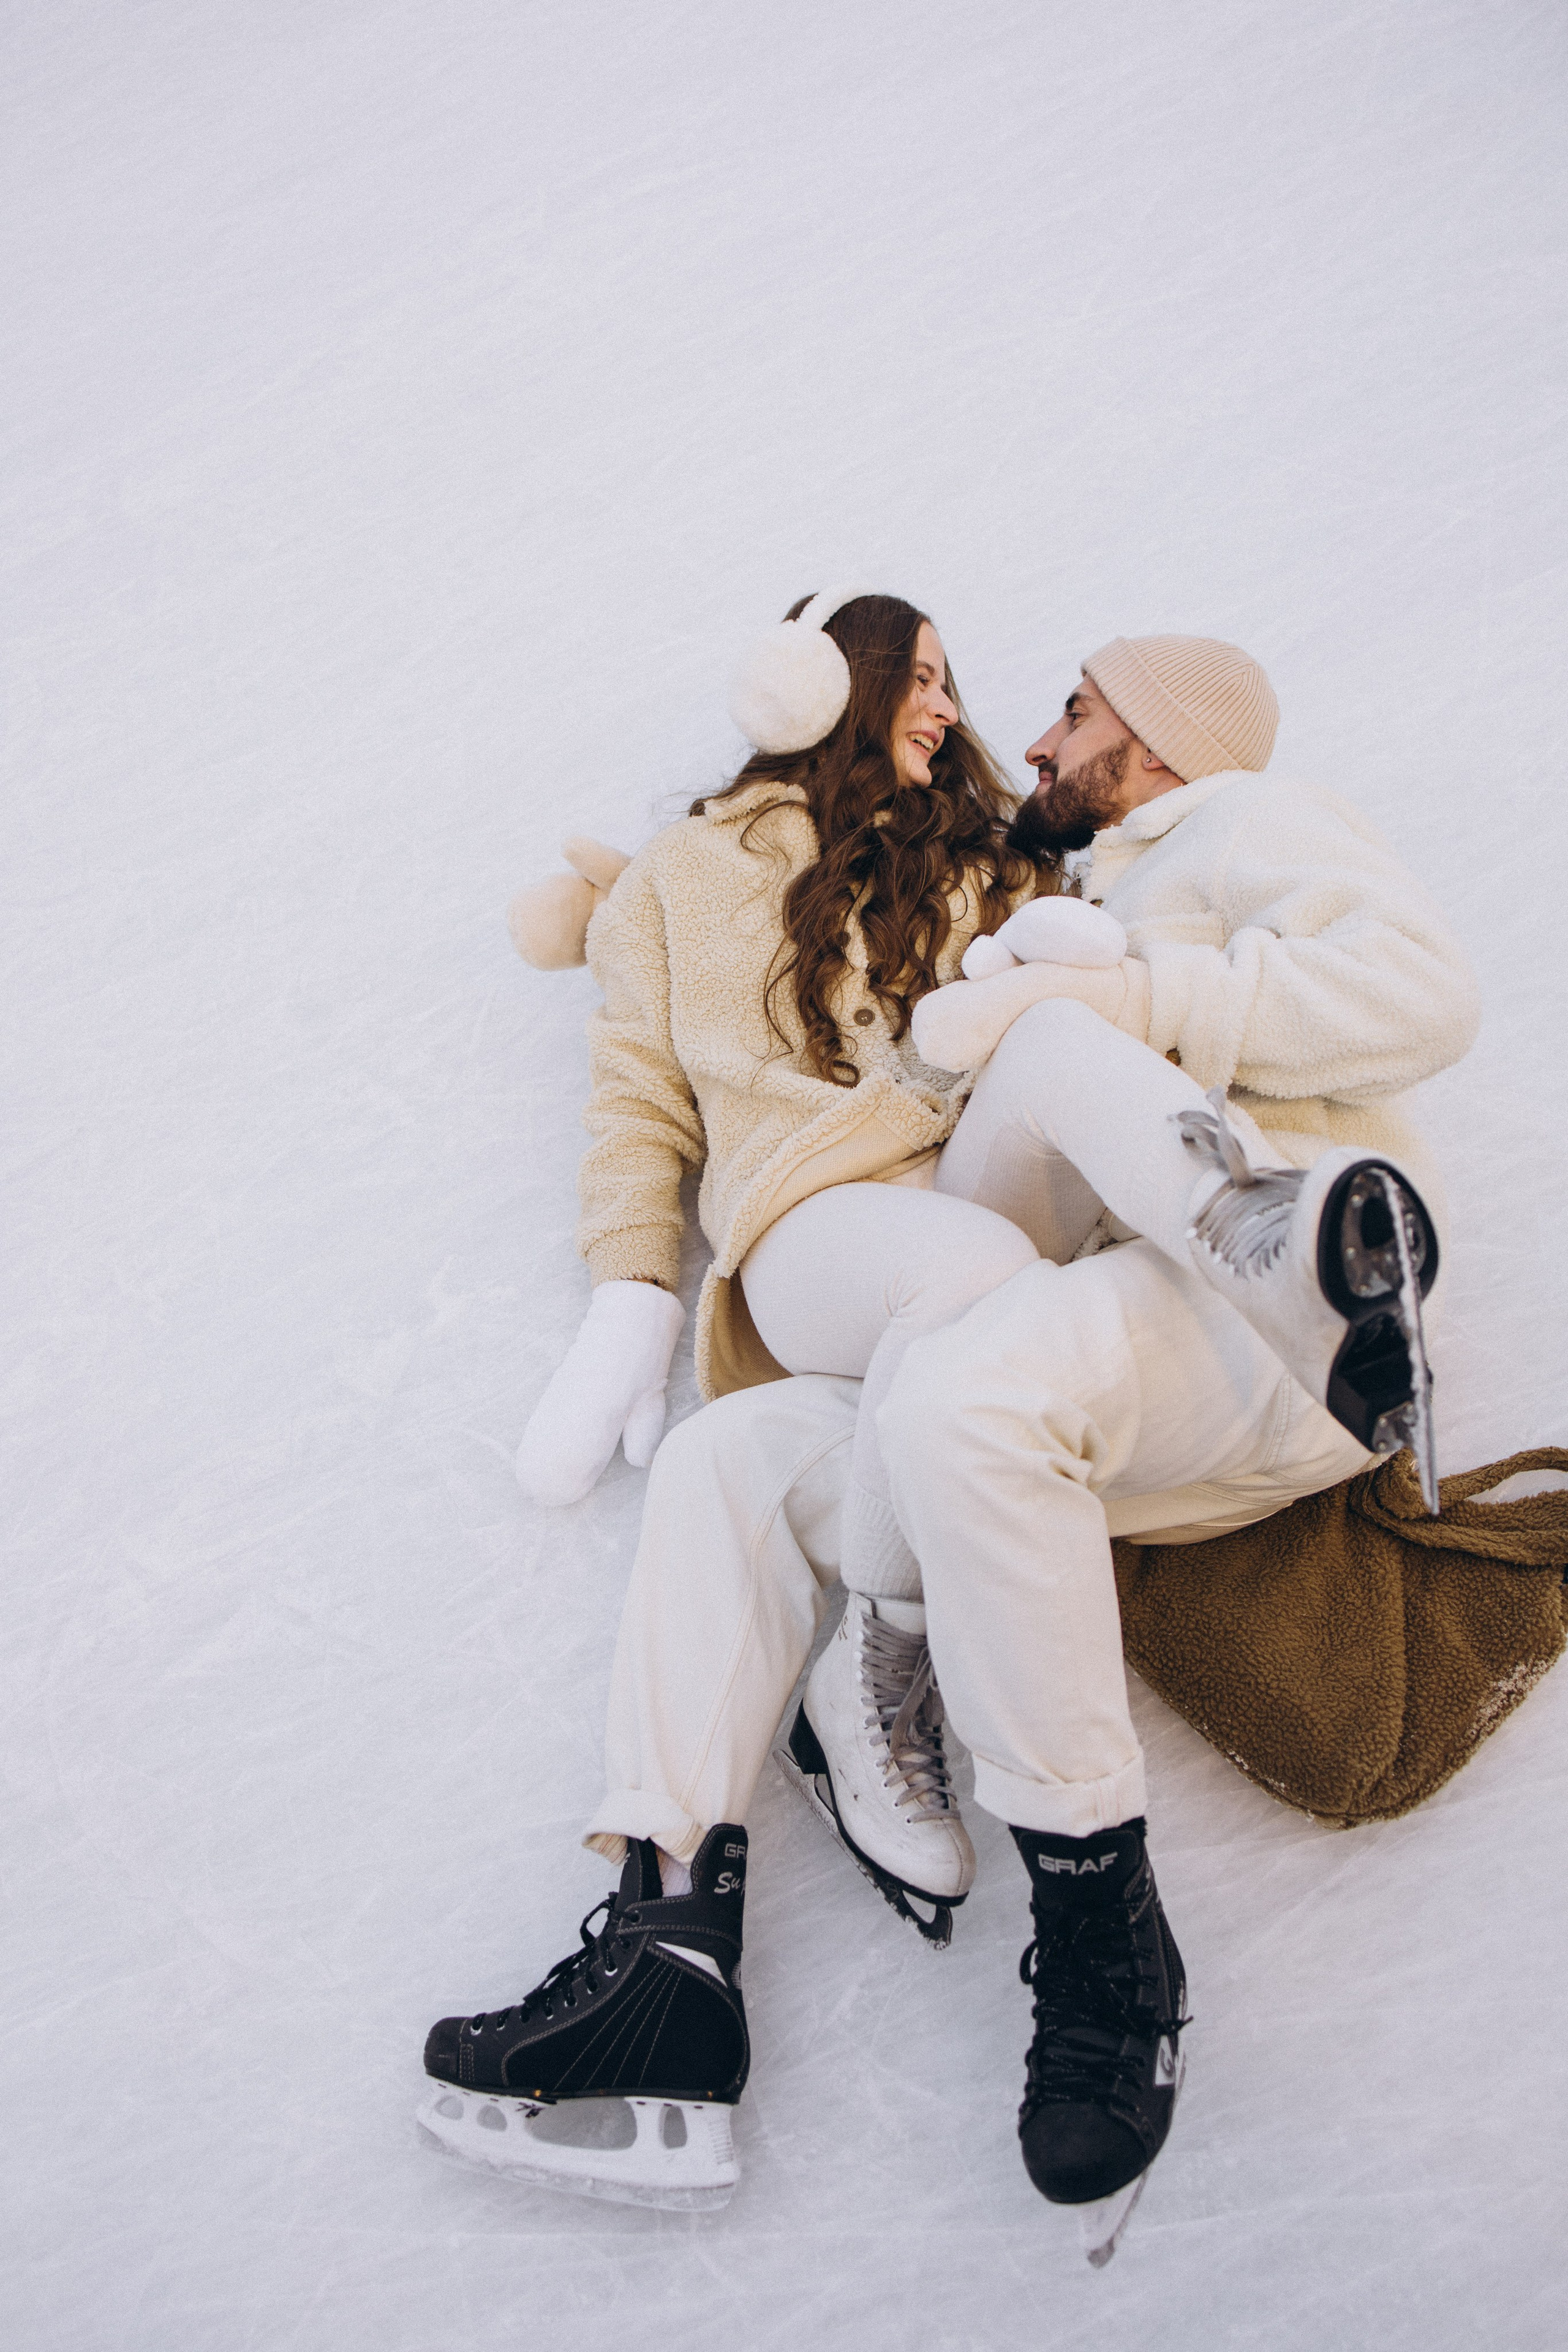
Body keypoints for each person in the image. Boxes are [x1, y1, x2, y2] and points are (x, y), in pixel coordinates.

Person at [418, 629, 1478, 2261]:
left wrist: (1129, 991)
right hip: (1096, 1339)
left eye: (1074, 710)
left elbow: (1421, 994)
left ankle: (1094, 1924)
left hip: (1288, 1336)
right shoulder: (1051, 885)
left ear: (1166, 736)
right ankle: (664, 1974)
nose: (1027, 736)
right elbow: (748, 1027)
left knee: (995, 1302)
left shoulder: (1240, 825)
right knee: (728, 1465)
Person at [510, 588, 1161, 1939]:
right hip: (813, 1230)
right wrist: (632, 1294)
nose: (944, 707)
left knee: (720, 1463)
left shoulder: (971, 862)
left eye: (947, 681)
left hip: (968, 1225)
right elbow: (636, 1101)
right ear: (825, 687)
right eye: (916, 678)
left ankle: (671, 1924)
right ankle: (856, 1690)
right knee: (977, 1283)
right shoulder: (682, 875)